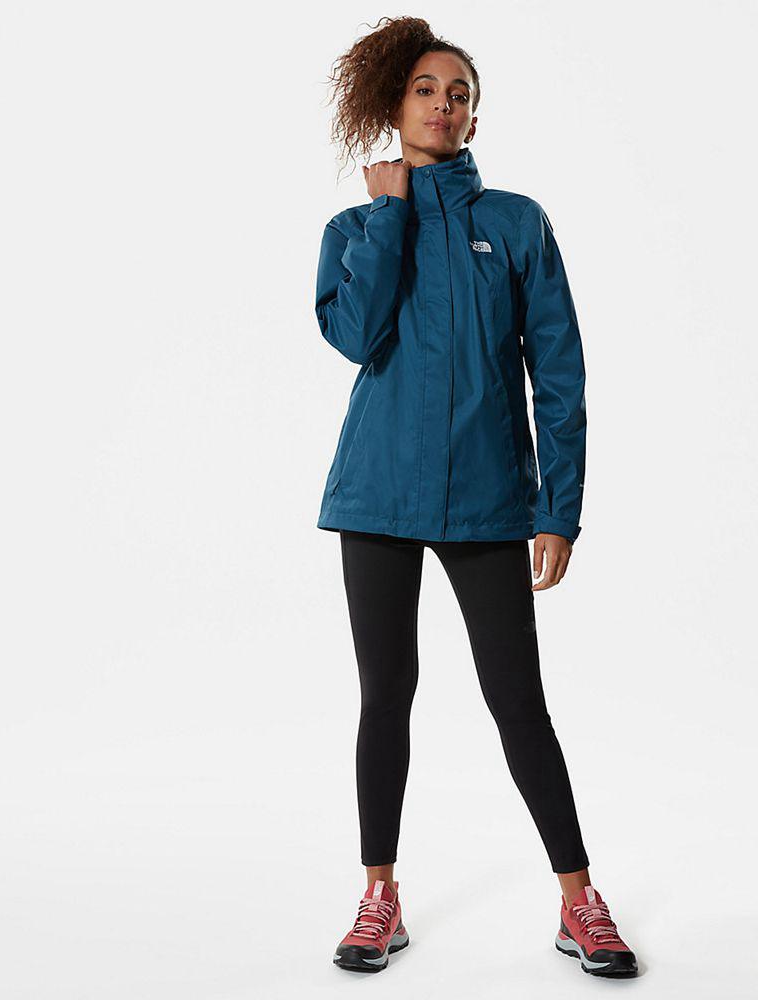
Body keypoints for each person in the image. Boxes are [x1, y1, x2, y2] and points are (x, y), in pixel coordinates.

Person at [314, 17, 638, 978]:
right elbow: (356, 335)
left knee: (518, 701)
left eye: (458, 93)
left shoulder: (518, 222)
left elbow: (560, 373)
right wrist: (389, 215)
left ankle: (580, 900)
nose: (443, 105)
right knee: (386, 695)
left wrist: (558, 508)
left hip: (492, 497)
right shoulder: (354, 228)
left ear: (474, 115)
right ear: (394, 103)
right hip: (376, 493)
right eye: (425, 89)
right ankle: (380, 896)